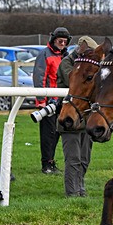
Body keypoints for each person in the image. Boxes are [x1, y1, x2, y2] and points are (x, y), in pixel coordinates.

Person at [57, 35, 98, 196]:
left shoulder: (87, 64)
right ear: (80, 49)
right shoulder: (67, 63)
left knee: (84, 159)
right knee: (73, 159)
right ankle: (72, 192)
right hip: (69, 116)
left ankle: (80, 189)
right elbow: (74, 82)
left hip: (85, 117)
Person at [33, 27, 71, 173]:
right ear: (53, 40)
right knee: (48, 134)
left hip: (62, 100)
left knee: (57, 133)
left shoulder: (65, 55)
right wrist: (41, 100)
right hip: (49, 101)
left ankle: (51, 161)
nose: (62, 43)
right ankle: (46, 164)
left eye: (64, 41)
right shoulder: (44, 54)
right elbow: (39, 76)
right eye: (59, 41)